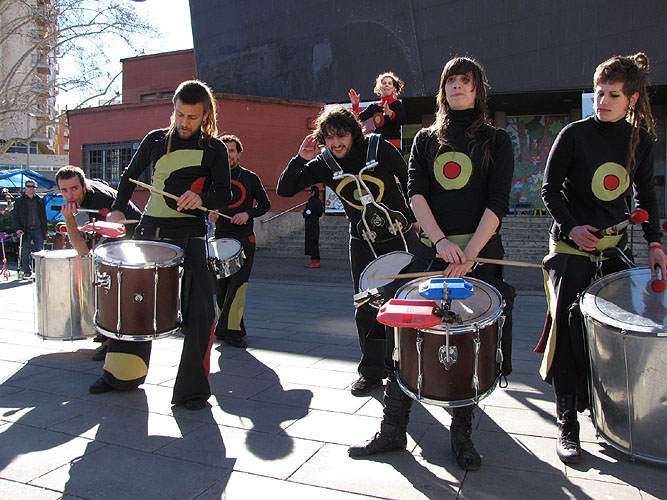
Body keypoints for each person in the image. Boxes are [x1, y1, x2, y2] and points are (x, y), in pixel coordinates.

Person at [348, 57, 515, 472]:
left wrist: (469, 253)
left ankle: (462, 436)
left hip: (478, 255)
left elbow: (497, 201)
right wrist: (440, 243)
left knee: (466, 342)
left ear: (477, 89)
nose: (457, 86)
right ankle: (392, 431)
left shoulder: (497, 140)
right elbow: (416, 193)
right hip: (430, 252)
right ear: (443, 89)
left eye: (465, 81)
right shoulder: (425, 138)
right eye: (451, 80)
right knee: (404, 336)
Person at [537, 53, 666, 464]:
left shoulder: (639, 140)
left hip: (614, 250)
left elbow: (645, 196)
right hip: (571, 249)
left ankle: (611, 410)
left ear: (632, 99)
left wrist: (656, 243)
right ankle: (567, 423)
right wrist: (574, 227)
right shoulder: (574, 134)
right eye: (599, 92)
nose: (603, 101)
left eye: (613, 94)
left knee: (619, 337)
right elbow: (549, 190)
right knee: (568, 333)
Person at [90, 80, 231, 412]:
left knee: (201, 311)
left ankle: (192, 392)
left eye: (192, 117)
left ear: (205, 115)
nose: (184, 122)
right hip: (150, 231)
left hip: (191, 235)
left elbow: (223, 193)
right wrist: (118, 208)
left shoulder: (214, 149)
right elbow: (129, 176)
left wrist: (201, 197)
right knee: (132, 305)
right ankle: (121, 376)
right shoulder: (155, 139)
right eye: (180, 114)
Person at [277, 105, 417, 396]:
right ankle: (372, 372)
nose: (336, 143)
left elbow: (410, 182)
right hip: (363, 240)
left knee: (409, 302)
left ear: (354, 133)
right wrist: (300, 158)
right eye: (329, 137)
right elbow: (285, 190)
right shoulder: (324, 163)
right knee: (366, 306)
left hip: (400, 235)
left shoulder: (379, 149)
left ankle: (411, 368)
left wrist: (416, 220)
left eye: (341, 135)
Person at [56, 165, 142, 360]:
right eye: (64, 190)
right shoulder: (91, 193)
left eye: (74, 188)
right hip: (120, 235)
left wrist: (69, 220)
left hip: (130, 236)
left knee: (110, 287)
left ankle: (112, 341)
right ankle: (105, 331)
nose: (70, 195)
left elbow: (83, 250)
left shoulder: (98, 202)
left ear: (84, 186)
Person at [208, 134, 270, 348]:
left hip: (244, 239)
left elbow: (265, 204)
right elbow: (205, 204)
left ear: (239, 153)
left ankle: (232, 332)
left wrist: (247, 214)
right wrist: (210, 213)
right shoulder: (213, 179)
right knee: (221, 287)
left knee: (237, 286)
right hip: (220, 239)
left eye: (231, 151)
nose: (228, 155)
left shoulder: (250, 178)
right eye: (223, 151)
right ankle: (228, 329)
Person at [349, 72, 405, 149]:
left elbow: (402, 120)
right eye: (384, 83)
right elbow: (357, 119)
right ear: (379, 87)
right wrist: (355, 105)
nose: (387, 85)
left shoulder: (397, 104)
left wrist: (391, 114)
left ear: (394, 88)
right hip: (378, 144)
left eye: (389, 83)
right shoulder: (374, 106)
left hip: (393, 144)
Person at [12, 180, 47, 278]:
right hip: (25, 229)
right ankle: (27, 271)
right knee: (25, 252)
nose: (31, 188)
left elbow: (43, 216)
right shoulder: (19, 201)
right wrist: (17, 229)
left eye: (33, 186)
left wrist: (45, 230)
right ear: (25, 188)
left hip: (38, 228)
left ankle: (40, 272)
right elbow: (15, 216)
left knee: (40, 252)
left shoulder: (39, 200)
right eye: (29, 186)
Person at [303, 185, 324, 268]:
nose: (309, 193)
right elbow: (320, 213)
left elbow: (309, 211)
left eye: (310, 191)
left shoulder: (311, 200)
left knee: (311, 241)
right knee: (315, 241)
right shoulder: (319, 201)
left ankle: (314, 261)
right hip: (316, 222)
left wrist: (304, 212)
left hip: (310, 222)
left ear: (313, 192)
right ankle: (317, 260)